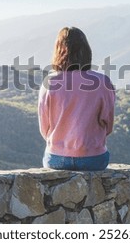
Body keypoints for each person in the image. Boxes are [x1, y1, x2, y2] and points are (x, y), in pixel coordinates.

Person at [38, 27, 115, 171]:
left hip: (56, 158)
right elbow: (108, 126)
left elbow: (45, 128)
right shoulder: (103, 82)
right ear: (86, 50)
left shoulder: (49, 83)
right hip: (93, 158)